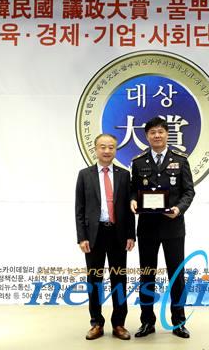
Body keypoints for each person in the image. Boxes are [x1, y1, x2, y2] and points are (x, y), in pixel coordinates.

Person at [130, 117, 195, 339]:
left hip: (173, 227)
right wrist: (132, 200)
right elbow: (133, 189)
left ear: (167, 134)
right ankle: (147, 322)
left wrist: (179, 209)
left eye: (160, 132)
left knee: (176, 275)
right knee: (147, 275)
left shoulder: (180, 160)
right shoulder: (138, 162)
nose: (157, 136)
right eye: (152, 132)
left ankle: (178, 322)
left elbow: (189, 191)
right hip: (147, 227)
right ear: (146, 136)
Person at [75, 133, 136, 340]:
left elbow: (128, 209)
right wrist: (82, 237)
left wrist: (131, 234)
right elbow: (79, 209)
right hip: (94, 235)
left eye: (111, 147)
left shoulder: (124, 175)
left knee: (119, 279)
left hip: (118, 234)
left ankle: (119, 323)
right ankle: (96, 323)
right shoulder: (85, 175)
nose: (107, 150)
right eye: (103, 147)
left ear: (116, 150)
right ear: (95, 149)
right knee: (95, 280)